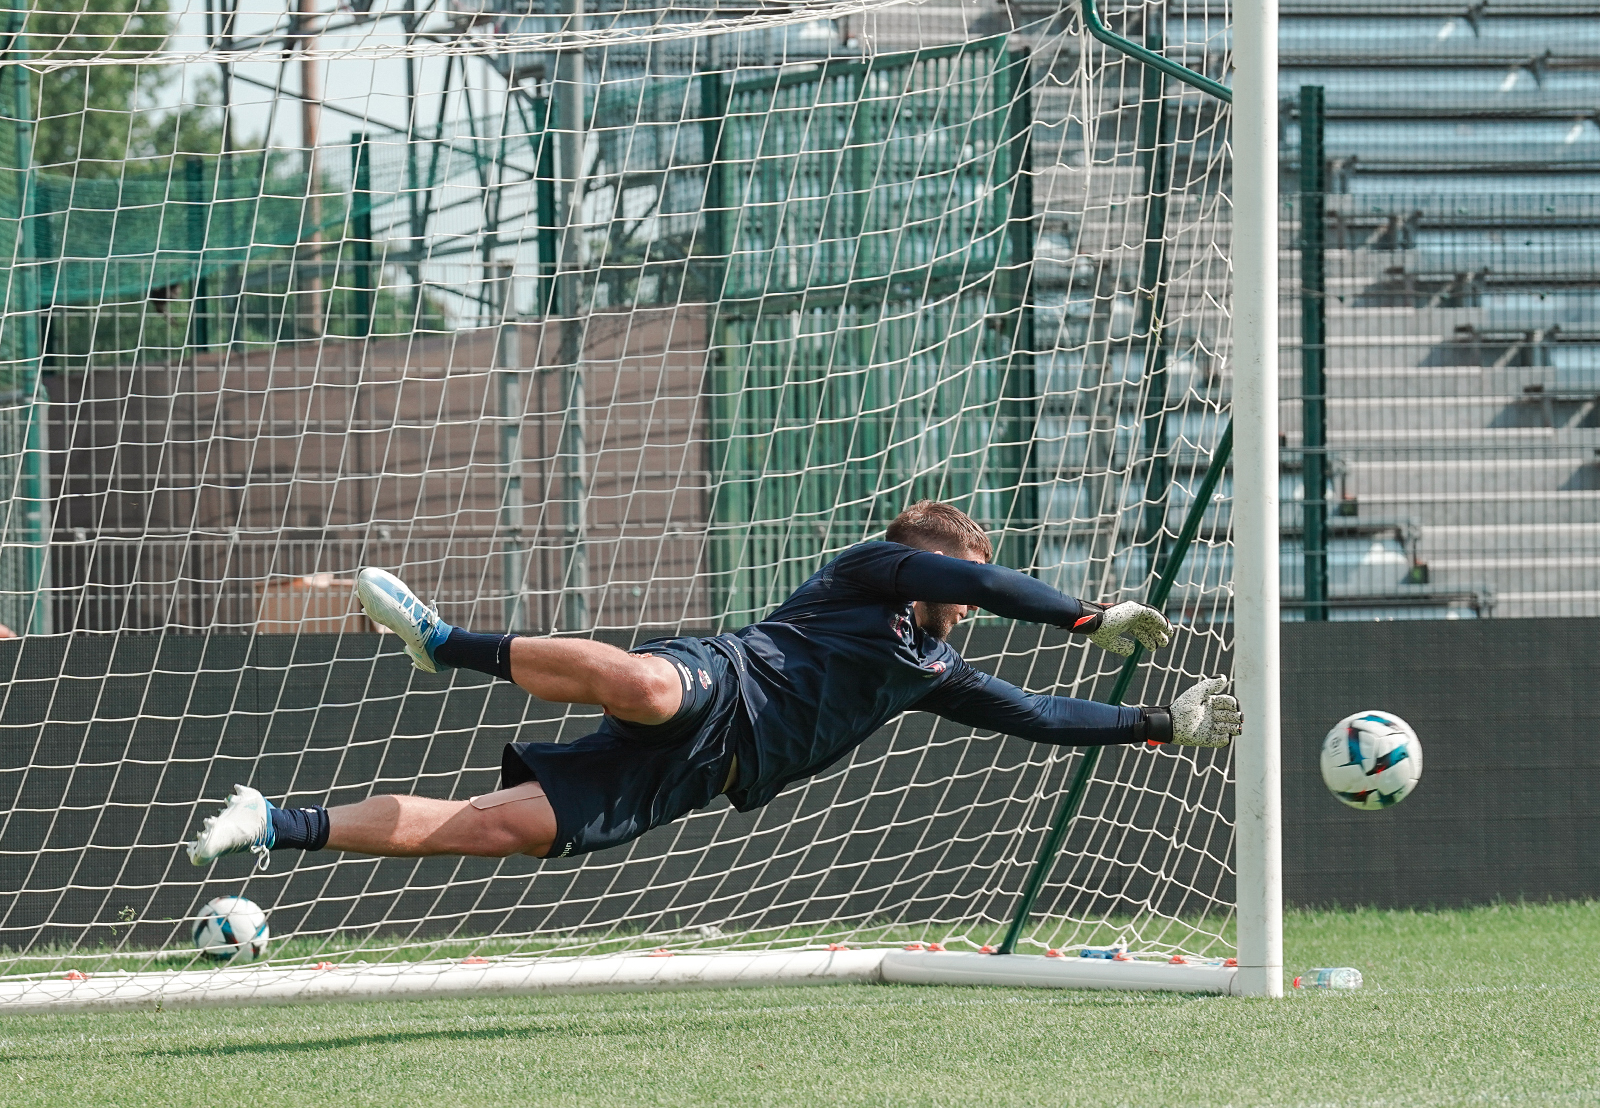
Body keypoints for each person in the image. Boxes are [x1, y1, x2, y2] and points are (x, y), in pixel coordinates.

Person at [186, 500, 1240, 868]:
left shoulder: (932, 667)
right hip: (721, 684)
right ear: (926, 565)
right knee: (645, 684)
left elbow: (1039, 715)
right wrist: (1084, 614)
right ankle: (444, 641)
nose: (966, 602)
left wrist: (1161, 722)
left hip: (708, 773)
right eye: (960, 582)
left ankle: (276, 823)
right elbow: (973, 578)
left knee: (493, 830)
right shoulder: (873, 573)